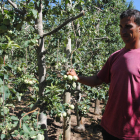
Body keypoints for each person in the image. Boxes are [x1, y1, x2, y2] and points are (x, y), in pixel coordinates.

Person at [67, 9, 140, 140]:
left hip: (132, 133)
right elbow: (97, 79)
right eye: (121, 27)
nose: (123, 31)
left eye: (128, 27)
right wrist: (77, 78)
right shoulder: (115, 56)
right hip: (109, 127)